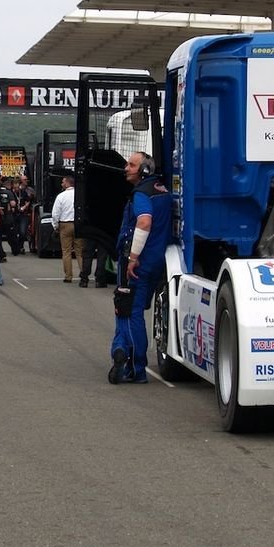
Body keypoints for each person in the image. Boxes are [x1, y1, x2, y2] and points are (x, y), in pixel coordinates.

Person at [109, 152, 172, 385]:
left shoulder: (142, 194)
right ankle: (120, 349)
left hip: (137, 262)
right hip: (155, 260)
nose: (126, 168)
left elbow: (144, 222)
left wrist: (133, 257)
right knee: (128, 308)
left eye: (131, 165)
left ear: (144, 170)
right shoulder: (162, 191)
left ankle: (133, 365)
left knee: (127, 310)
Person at [50, 174, 83, 283]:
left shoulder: (61, 196)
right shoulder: (80, 195)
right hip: (78, 224)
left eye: (63, 182)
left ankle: (68, 276)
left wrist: (55, 226)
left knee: (66, 251)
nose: (61, 183)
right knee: (79, 251)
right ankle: (84, 273)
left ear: (68, 183)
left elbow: (55, 213)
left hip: (65, 224)